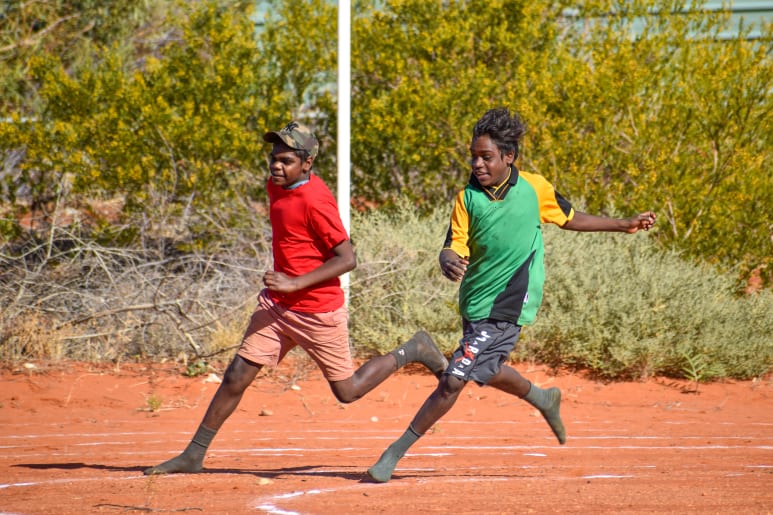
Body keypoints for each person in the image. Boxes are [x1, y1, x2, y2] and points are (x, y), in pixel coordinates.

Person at [367, 107, 657, 483]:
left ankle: (393, 453)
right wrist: (447, 260)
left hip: (510, 301)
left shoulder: (535, 188)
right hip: (475, 301)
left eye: (486, 157)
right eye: (473, 156)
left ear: (508, 157)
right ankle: (542, 397)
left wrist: (623, 224)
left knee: (455, 379)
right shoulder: (466, 198)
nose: (477, 163)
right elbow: (452, 245)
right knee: (486, 369)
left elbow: (570, 217)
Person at [144, 121, 447, 475]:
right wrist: (283, 286)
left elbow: (347, 258)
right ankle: (194, 454)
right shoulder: (276, 187)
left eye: (286, 159)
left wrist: (294, 282)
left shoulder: (316, 200)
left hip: (318, 311)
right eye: (273, 157)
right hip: (277, 306)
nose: (276, 165)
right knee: (236, 376)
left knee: (348, 391)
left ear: (307, 164)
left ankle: (414, 349)